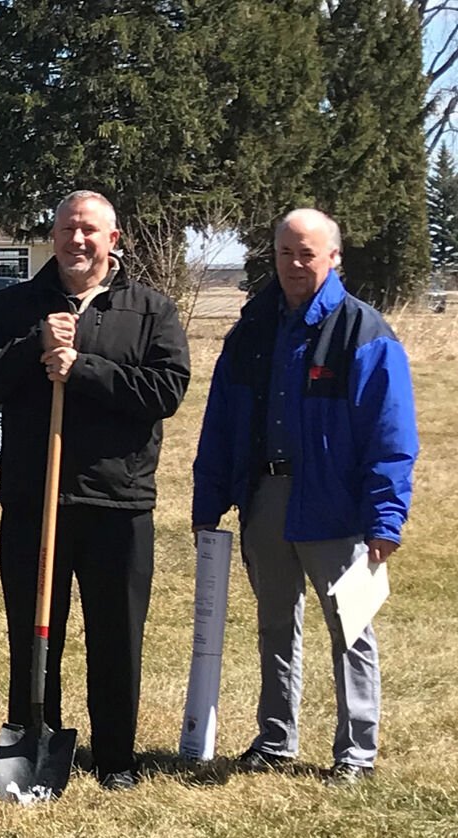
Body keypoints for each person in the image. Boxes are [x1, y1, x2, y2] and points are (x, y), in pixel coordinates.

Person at [0, 190, 190, 791]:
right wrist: (35, 344)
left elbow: (165, 391)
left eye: (90, 230)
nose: (77, 240)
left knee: (116, 634)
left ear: (113, 239)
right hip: (37, 501)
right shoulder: (17, 305)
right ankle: (36, 737)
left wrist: (81, 368)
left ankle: (116, 757)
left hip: (118, 501)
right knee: (35, 628)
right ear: (53, 237)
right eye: (67, 230)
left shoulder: (149, 309)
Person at [192, 208, 417, 786]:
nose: (295, 263)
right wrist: (208, 497)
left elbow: (391, 436)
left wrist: (385, 518)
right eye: (285, 252)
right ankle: (275, 739)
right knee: (274, 624)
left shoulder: (364, 333)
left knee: (351, 628)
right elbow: (220, 419)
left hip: (336, 507)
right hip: (264, 497)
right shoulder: (251, 331)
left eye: (307, 253)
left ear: (334, 257)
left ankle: (356, 753)